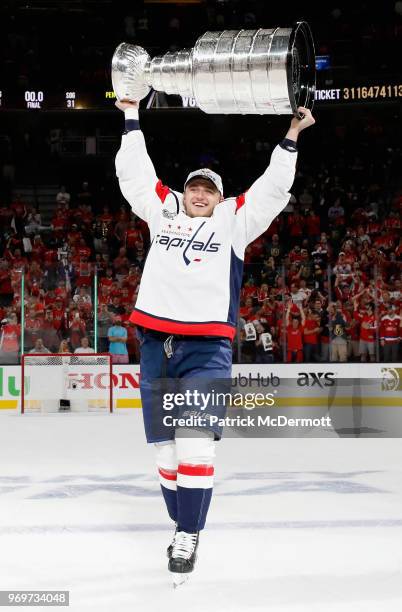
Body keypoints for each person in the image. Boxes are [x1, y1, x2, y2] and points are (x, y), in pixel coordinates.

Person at [115, 97, 315, 585]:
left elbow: (270, 191)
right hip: (157, 342)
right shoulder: (162, 211)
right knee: (165, 455)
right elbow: (135, 176)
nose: (199, 194)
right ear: (183, 194)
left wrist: (292, 134)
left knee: (195, 443)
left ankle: (189, 533)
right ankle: (183, 523)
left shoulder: (233, 221)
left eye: (208, 189)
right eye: (193, 188)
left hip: (207, 348)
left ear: (219, 197)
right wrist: (129, 114)